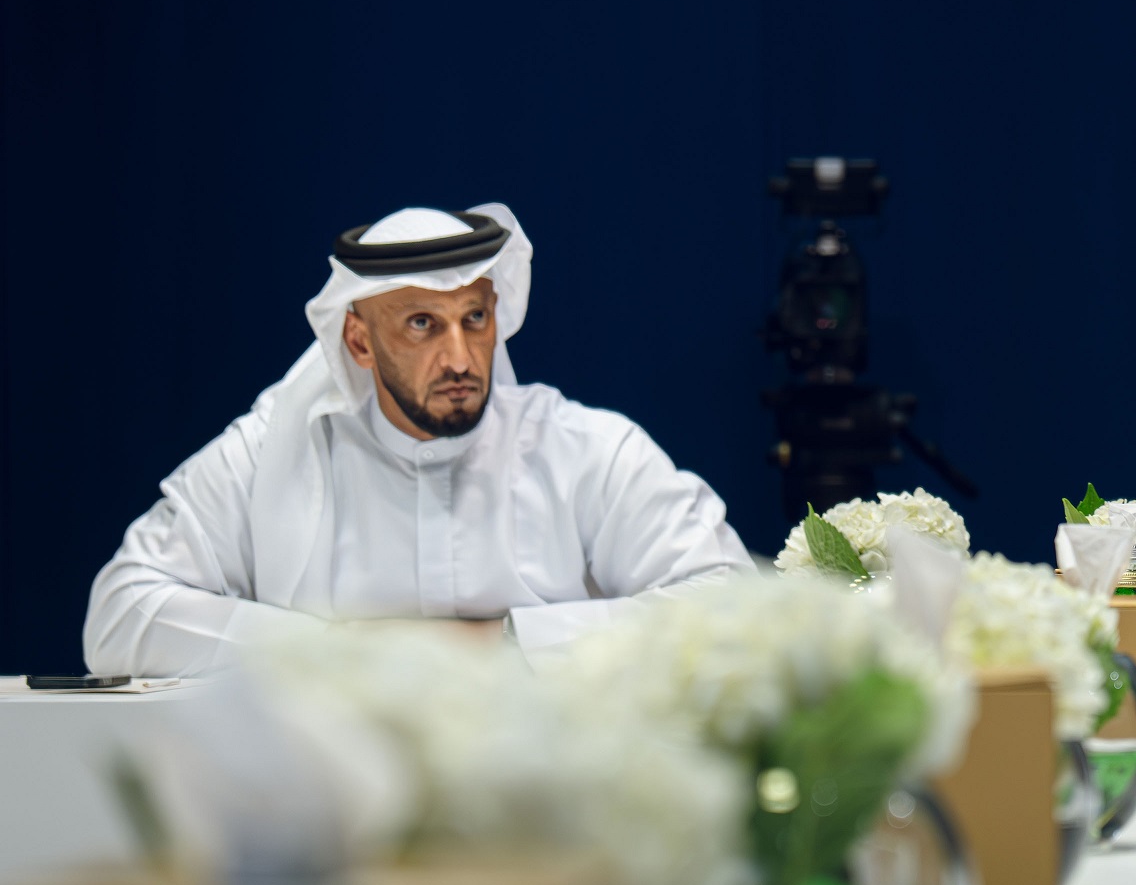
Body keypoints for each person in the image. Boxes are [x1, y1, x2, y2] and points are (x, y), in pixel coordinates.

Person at [86, 205, 753, 673]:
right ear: (359, 342)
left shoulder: (585, 449)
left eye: (474, 318)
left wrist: (507, 643)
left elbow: (732, 605)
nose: (460, 358)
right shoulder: (272, 451)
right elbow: (120, 613)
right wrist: (334, 654)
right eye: (422, 324)